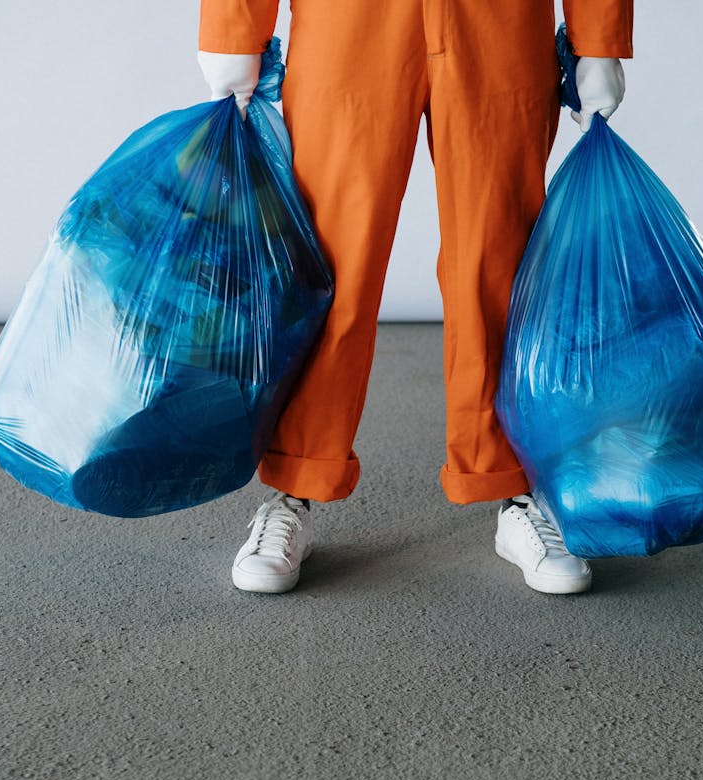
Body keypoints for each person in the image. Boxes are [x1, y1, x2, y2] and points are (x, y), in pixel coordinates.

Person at [197, 0, 632, 595]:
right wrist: (232, 24)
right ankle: (293, 488)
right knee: (331, 266)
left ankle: (516, 488)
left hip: (498, 23)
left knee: (499, 262)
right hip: (350, 23)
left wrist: (599, 36)